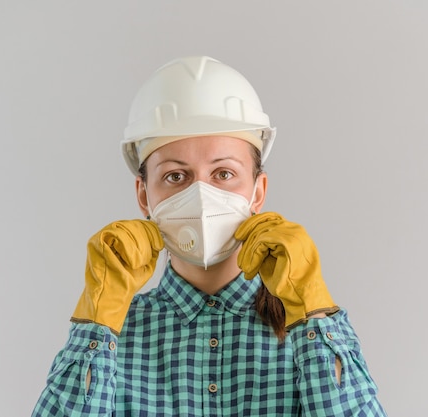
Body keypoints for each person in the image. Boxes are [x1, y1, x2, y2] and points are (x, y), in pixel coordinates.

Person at [32, 56, 387, 416]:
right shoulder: (113, 336)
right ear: (144, 195)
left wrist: (313, 314)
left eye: (223, 174)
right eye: (176, 176)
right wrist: (98, 320)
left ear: (258, 192)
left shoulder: (305, 337)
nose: (201, 195)